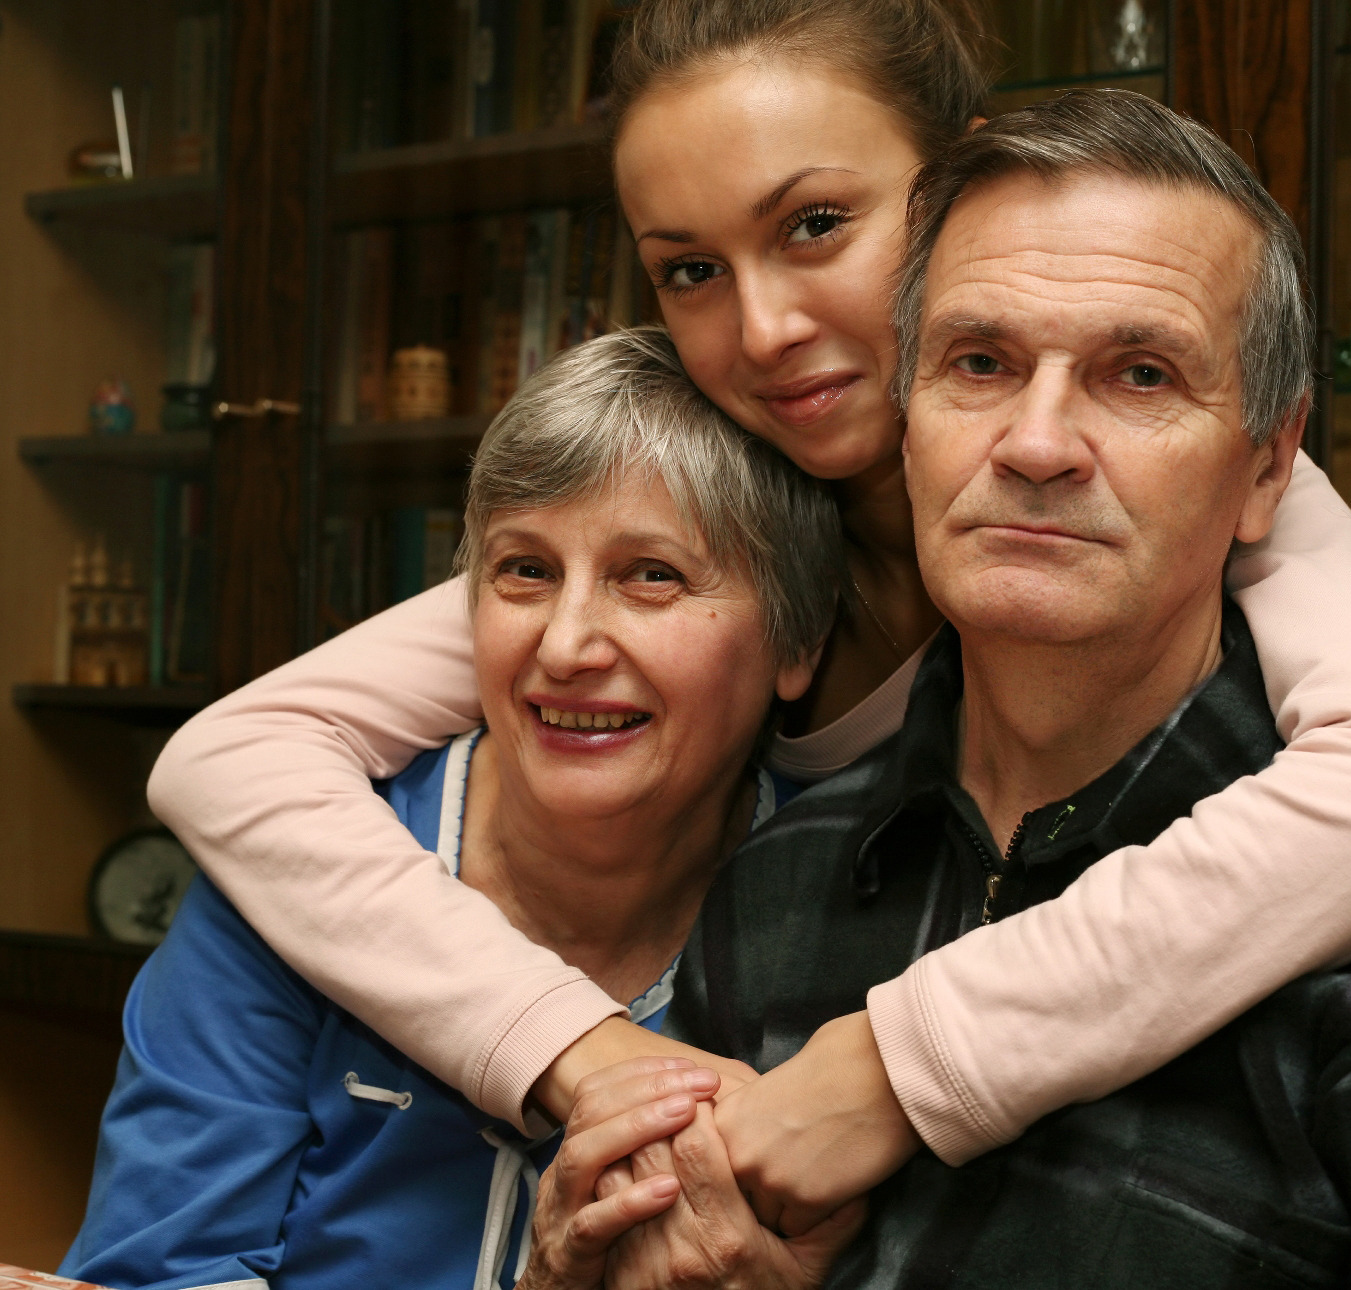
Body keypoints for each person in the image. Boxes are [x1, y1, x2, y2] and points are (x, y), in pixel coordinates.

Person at [145, 0, 1351, 1223]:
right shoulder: (704, 503)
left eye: (816, 227)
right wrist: (584, 1048)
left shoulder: (1140, 483)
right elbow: (236, 758)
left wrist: (894, 1067)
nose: (763, 330)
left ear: (968, 191)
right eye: (690, 269)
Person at [529, 91, 1351, 1290]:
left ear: (1267, 468)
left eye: (1139, 376)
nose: (1037, 443)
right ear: (905, 424)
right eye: (979, 363)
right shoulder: (777, 887)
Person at [61, 331, 861, 1290]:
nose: (565, 645)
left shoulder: (871, 893)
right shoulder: (291, 876)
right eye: (524, 570)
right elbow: (161, 1271)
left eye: (652, 574)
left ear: (798, 642)